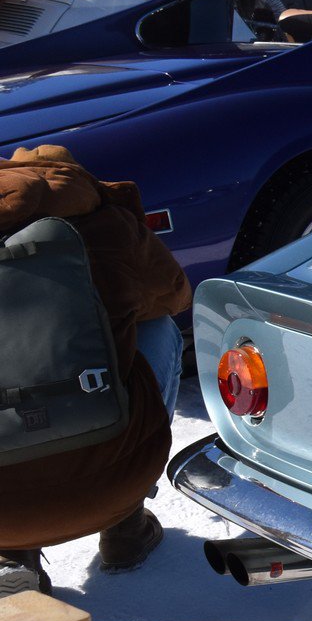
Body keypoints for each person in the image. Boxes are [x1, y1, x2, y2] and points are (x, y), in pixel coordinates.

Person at [0, 145, 190, 596]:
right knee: (159, 327)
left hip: (4, 513)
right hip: (115, 480)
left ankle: (10, 554)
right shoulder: (101, 222)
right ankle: (127, 528)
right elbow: (176, 296)